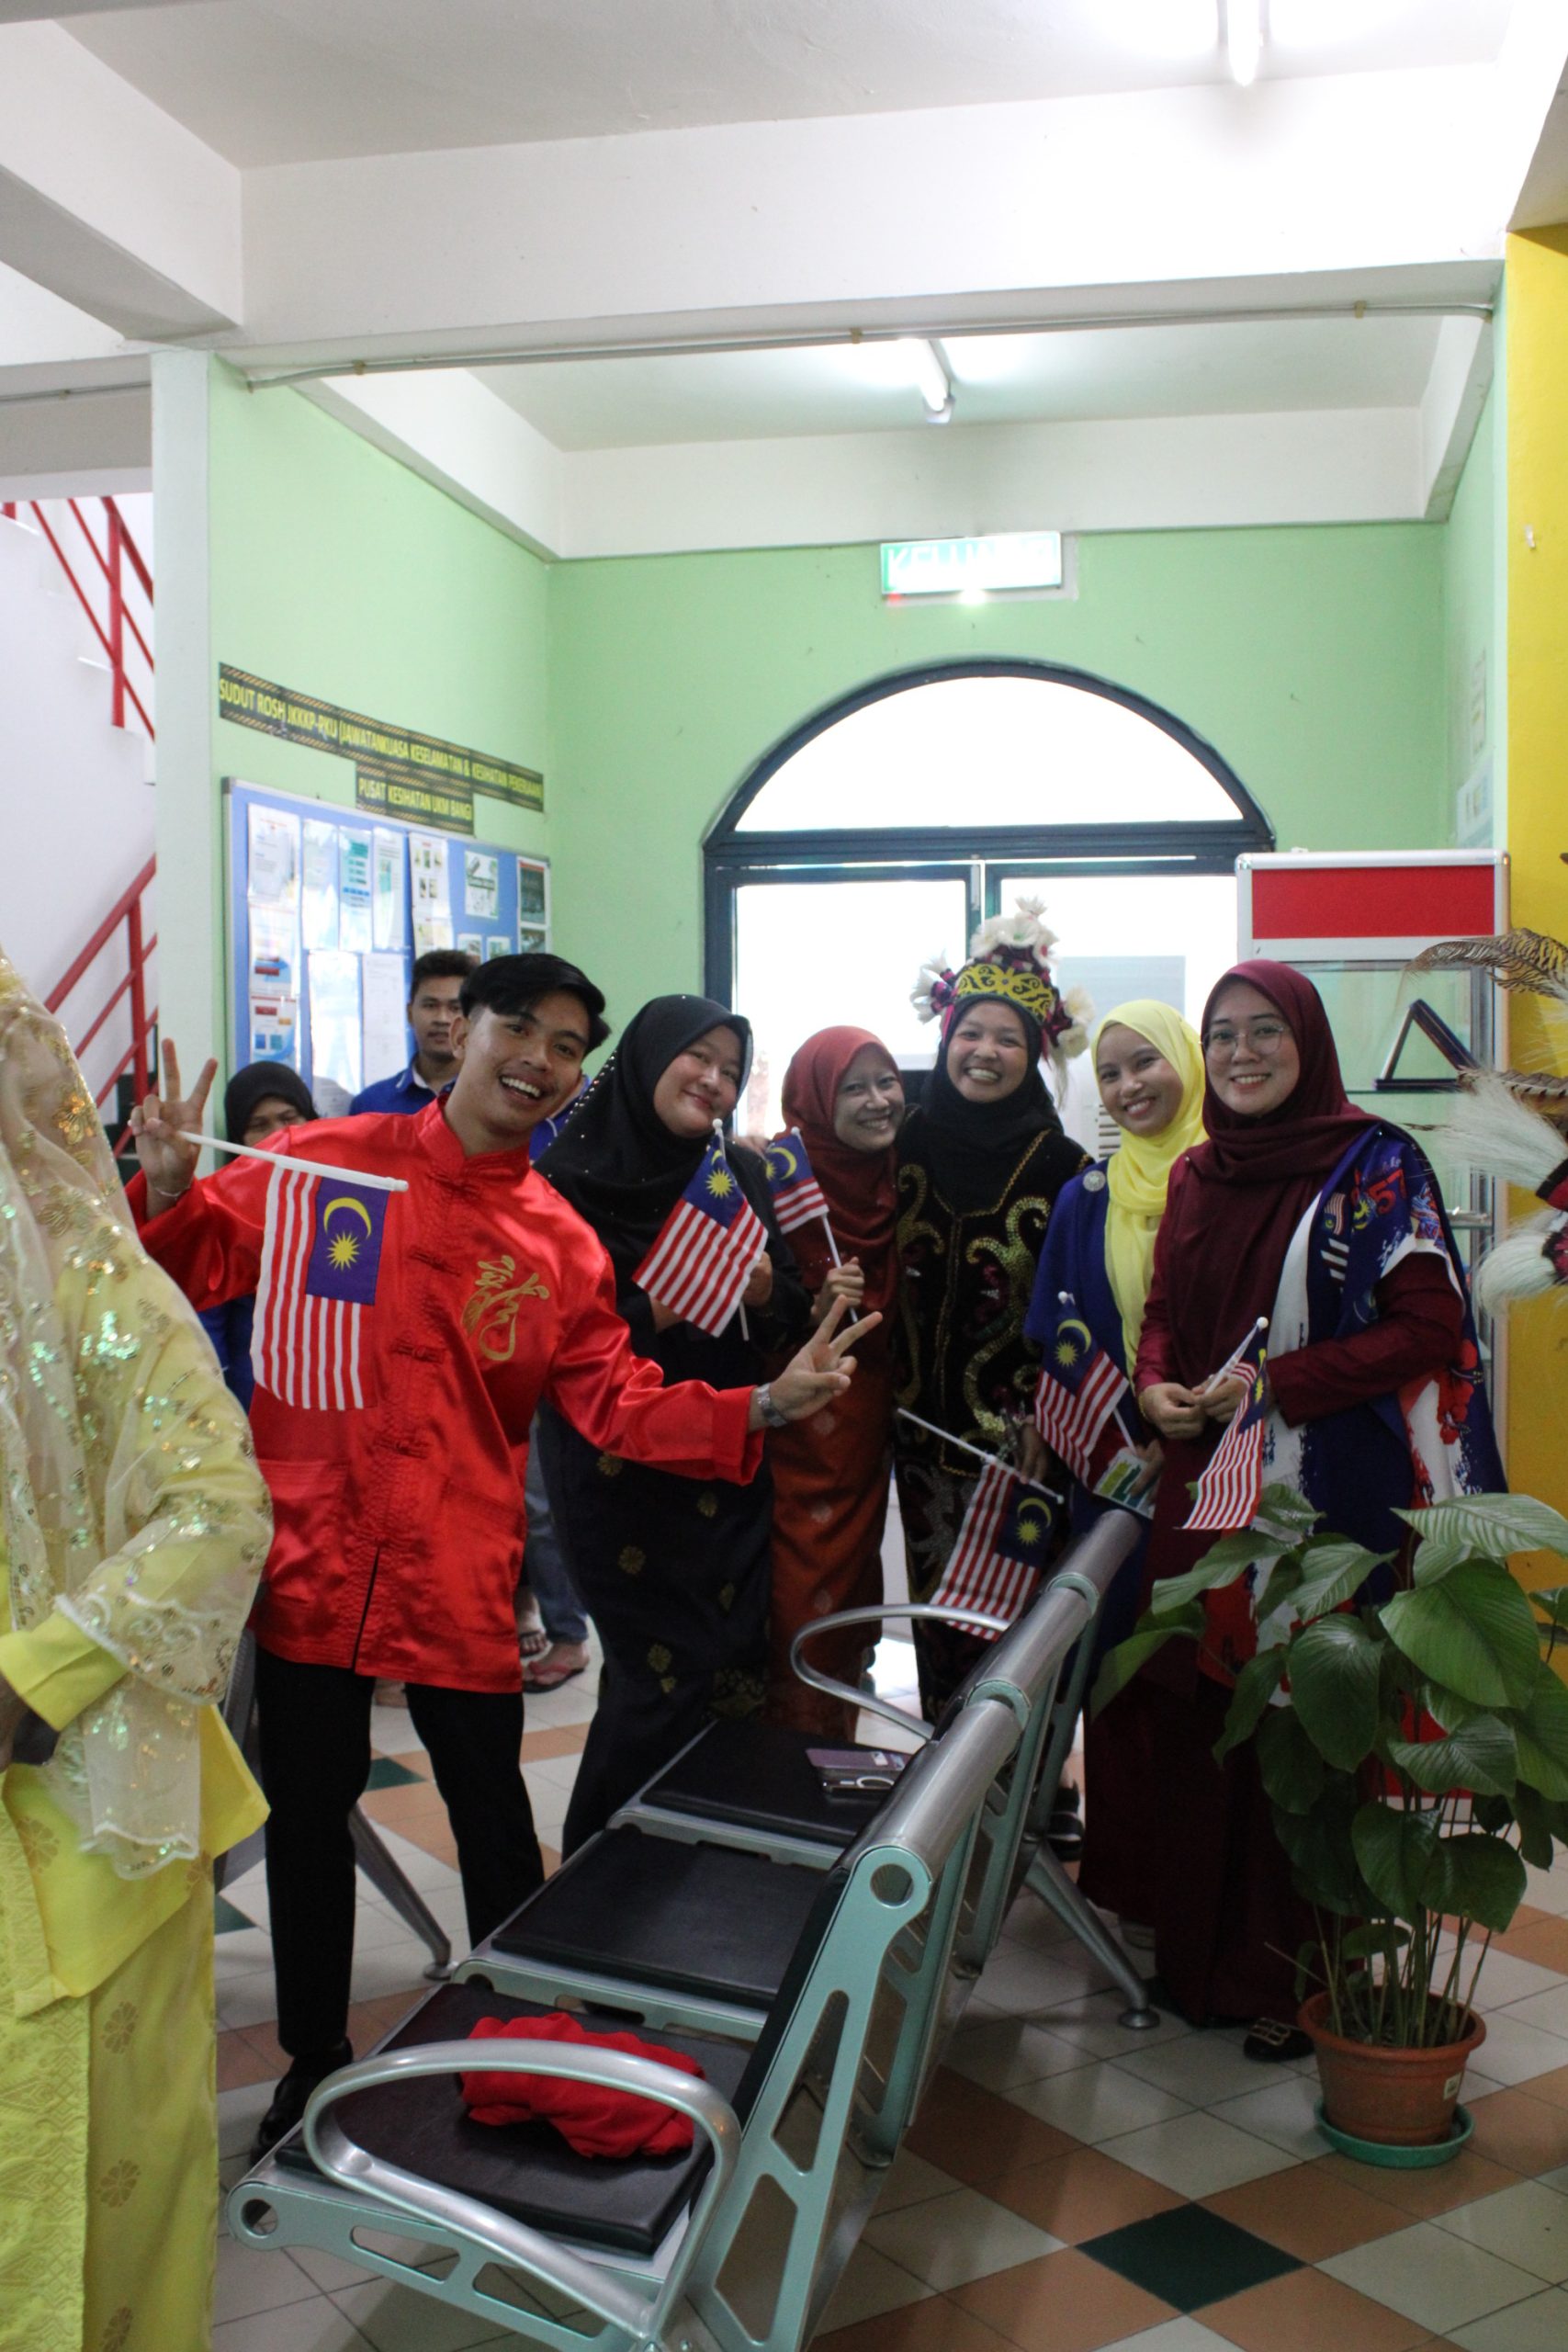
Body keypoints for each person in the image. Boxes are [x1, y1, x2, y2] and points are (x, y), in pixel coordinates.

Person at [127, 954, 869, 2152]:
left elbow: (617, 1402)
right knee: (306, 1820)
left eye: (567, 1045)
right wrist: (162, 1191)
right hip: (313, 1564)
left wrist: (760, 1405)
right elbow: (185, 1271)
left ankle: (519, 2048)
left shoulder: (556, 1243)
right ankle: (311, 2062)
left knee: (490, 1820)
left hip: (461, 1572)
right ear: (458, 1033)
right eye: (517, 1028)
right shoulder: (323, 1164)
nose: (538, 1058)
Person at [1124, 958, 1504, 2027]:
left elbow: (1427, 1327)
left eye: (1266, 1031)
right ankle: (1199, 1965)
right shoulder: (1197, 1173)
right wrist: (1153, 1383)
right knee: (1205, 1715)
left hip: (1321, 1492)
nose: (1241, 1053)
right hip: (1204, 1482)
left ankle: (1297, 1983)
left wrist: (1278, 1384)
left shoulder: (1375, 1163)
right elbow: (1166, 1312)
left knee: (1303, 1729)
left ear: (1309, 1041)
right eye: (1223, 1033)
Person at [0, 947, 271, 2352]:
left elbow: (219, 1509)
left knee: (97, 2202)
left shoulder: (93, 1281)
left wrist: (35, 1673)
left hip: (78, 1807)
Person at [537, 994, 813, 1848]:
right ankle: (599, 1883)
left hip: (729, 1450)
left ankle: (691, 1869)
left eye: (731, 1070)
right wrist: (659, 1305)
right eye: (698, 1057)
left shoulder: (735, 1175)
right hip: (616, 1466)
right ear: (649, 1057)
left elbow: (791, 1312)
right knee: (656, 1680)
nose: (713, 1080)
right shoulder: (563, 1185)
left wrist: (764, 1292)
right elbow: (552, 1339)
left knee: (726, 1667)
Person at [1025, 1000, 1205, 1900]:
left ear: (1187, 1062)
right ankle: (1129, 1880)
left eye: (1146, 1062)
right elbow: (1052, 1333)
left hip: (1219, 1468)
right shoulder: (1086, 1196)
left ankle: (1201, 1893)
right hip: (1117, 1475)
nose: (1129, 1085)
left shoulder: (1231, 1182)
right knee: (1121, 1671)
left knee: (1205, 1673)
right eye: (1110, 1072)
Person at [895, 903, 1091, 1716]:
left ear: (1035, 1054)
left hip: (1021, 1452)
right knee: (936, 1624)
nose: (984, 1051)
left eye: (1008, 1039)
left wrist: (1052, 1416)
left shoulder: (1065, 1167)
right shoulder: (903, 1141)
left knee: (1014, 1638)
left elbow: (1081, 1312)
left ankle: (1029, 1779)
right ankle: (942, 1774)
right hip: (915, 1440)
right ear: (946, 1039)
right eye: (970, 1032)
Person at [764, 1027, 904, 1736]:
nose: (878, 1101)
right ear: (816, 1099)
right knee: (798, 1588)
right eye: (853, 1087)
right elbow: (738, 1321)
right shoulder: (777, 1181)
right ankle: (790, 1754)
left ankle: (834, 1745)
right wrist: (807, 1307)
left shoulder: (905, 1176)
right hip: (796, 1436)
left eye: (887, 1082)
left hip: (870, 1428)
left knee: (850, 1591)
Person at [198, 1057, 318, 1409]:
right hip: (253, 1394)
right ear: (239, 1138)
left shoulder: (346, 1200)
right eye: (258, 1125)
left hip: (330, 1388)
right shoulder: (221, 1208)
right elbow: (209, 1322)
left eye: (288, 1118)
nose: (277, 1134)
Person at [349, 945, 476, 1114]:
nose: (442, 1019)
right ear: (410, 1013)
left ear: (474, 1018)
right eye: (430, 1006)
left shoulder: (494, 1100)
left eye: (455, 1008)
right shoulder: (371, 1104)